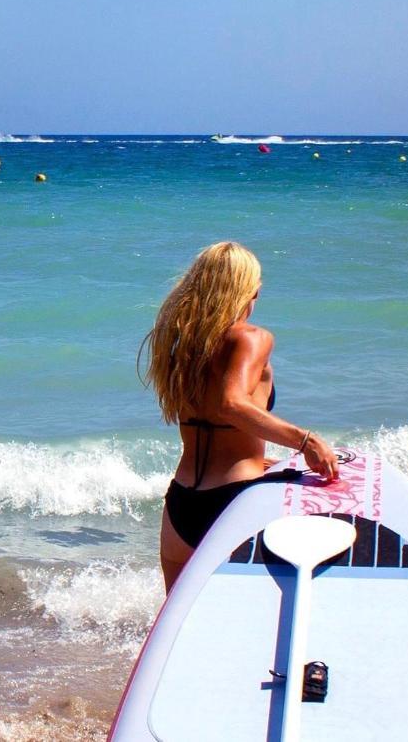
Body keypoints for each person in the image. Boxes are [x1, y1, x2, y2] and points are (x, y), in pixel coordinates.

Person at [139, 241, 340, 592]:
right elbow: (231, 405)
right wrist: (307, 441)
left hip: (181, 505)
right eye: (257, 288)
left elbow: (215, 429)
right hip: (233, 502)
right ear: (246, 289)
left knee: (181, 623)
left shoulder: (180, 343)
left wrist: (262, 460)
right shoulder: (251, 338)